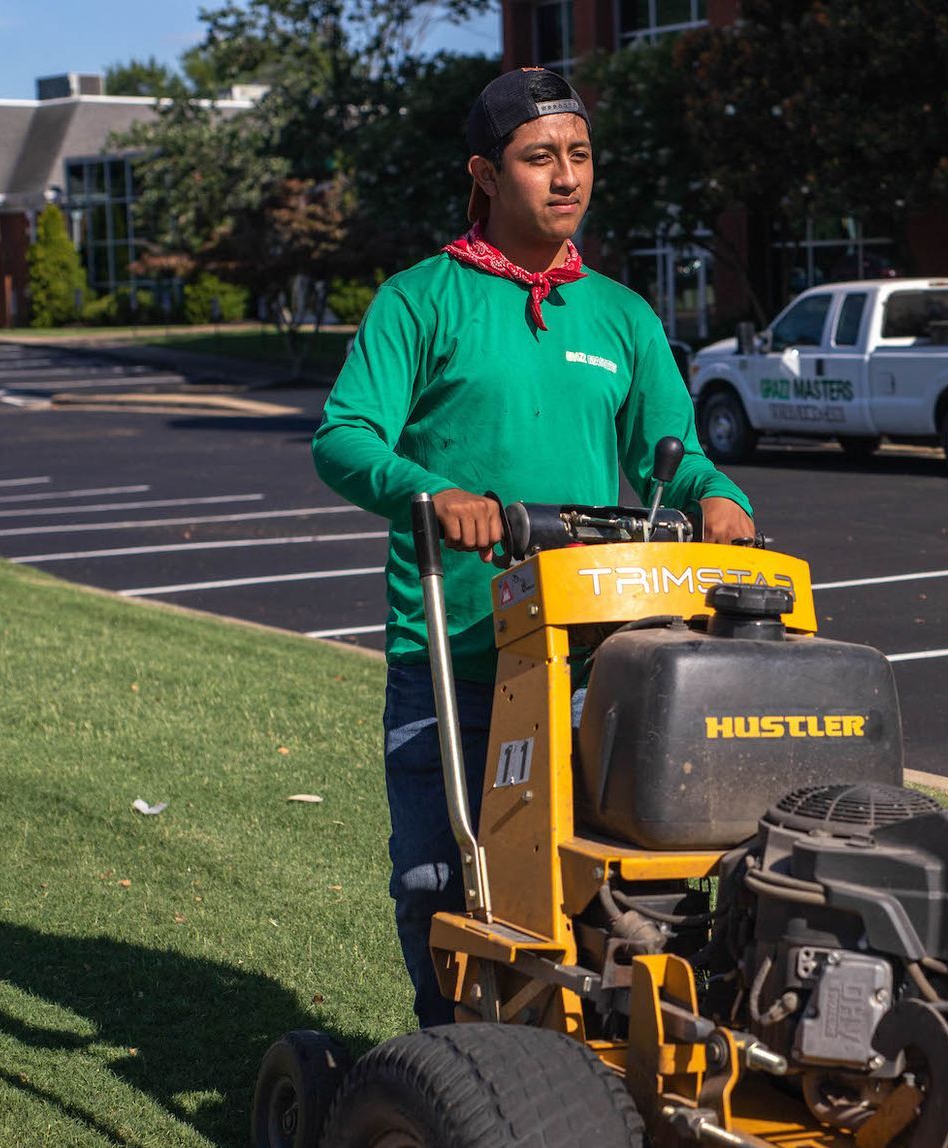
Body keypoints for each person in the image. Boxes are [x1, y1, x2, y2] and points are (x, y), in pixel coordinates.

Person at [311, 67, 756, 1027]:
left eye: (581, 155)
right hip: (456, 656)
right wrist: (432, 493)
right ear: (485, 170)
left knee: (598, 881)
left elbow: (670, 456)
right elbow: (344, 437)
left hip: (595, 661)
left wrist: (718, 498)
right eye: (539, 157)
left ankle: (585, 1056)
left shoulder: (622, 317)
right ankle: (451, 1064)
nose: (567, 177)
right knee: (439, 881)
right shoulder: (420, 301)